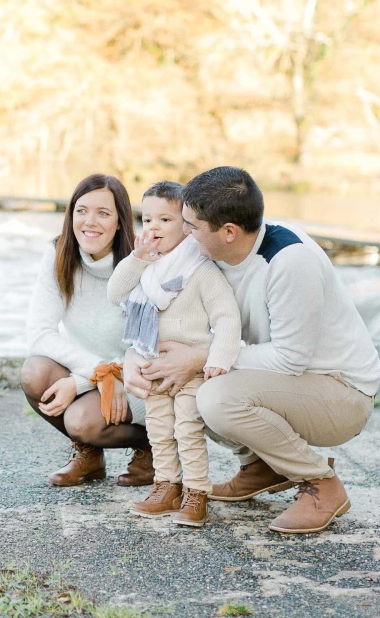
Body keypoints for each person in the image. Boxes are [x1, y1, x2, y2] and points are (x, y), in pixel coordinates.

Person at [123, 166, 380, 534]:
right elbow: (160, 309)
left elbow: (290, 359)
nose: (184, 233)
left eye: (191, 226)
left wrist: (203, 356)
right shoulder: (207, 253)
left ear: (228, 232)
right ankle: (263, 466)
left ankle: (322, 484)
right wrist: (136, 355)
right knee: (167, 386)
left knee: (213, 397)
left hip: (340, 392)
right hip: (286, 383)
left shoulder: (290, 261)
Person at [106, 181, 241, 526]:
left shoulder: (201, 270)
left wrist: (219, 360)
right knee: (159, 429)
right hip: (155, 366)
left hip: (191, 370)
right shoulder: (146, 269)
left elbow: (227, 316)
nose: (153, 227)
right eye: (146, 219)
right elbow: (114, 292)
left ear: (187, 225)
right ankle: (166, 486)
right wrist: (136, 259)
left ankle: (196, 492)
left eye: (165, 220)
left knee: (187, 427)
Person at [20, 173, 153, 487]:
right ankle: (89, 457)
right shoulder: (58, 254)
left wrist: (95, 378)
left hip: (136, 378)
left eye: (103, 213)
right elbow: (39, 333)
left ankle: (154, 447)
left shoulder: (141, 263)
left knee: (81, 420)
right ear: (71, 215)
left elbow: (149, 347)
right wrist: (97, 374)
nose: (89, 222)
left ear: (120, 221)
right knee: (35, 371)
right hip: (99, 372)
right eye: (82, 211)